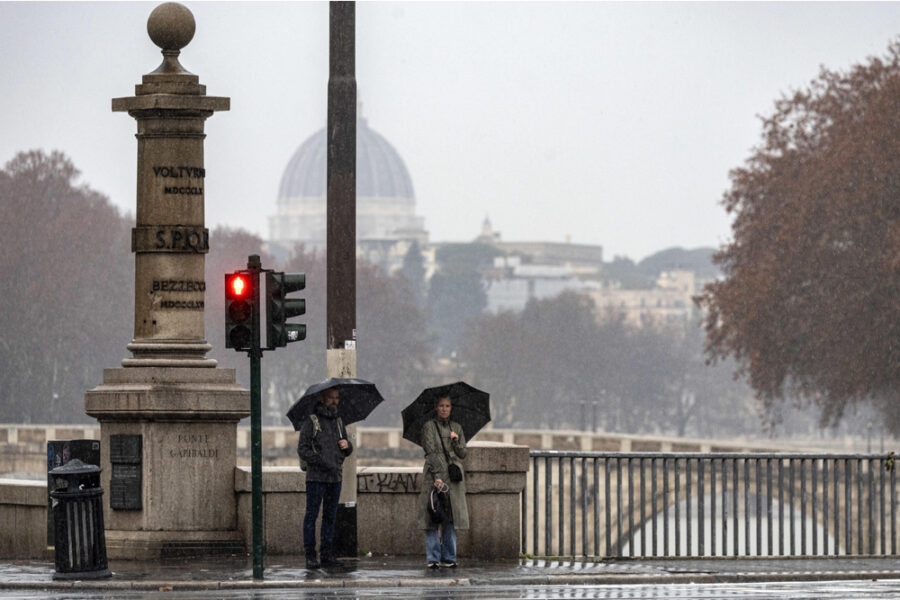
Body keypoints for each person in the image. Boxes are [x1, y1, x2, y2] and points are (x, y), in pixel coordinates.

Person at [297, 387, 353, 569]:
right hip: (316, 478)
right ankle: (310, 556)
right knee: (311, 517)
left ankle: (327, 555)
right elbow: (303, 449)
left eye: (337, 398)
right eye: (331, 398)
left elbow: (347, 449)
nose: (335, 401)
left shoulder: (338, 421)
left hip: (335, 477)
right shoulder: (311, 421)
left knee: (330, 518)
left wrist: (347, 445)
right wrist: (322, 461)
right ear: (322, 399)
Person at [417, 395, 468, 568]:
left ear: (451, 408)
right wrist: (437, 476)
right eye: (441, 406)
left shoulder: (457, 427)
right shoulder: (429, 426)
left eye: (447, 406)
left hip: (452, 476)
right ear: (436, 407)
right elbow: (430, 452)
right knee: (432, 513)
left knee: (450, 517)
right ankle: (433, 558)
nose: (444, 409)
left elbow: (463, 453)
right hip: (434, 474)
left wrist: (455, 441)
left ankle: (449, 557)